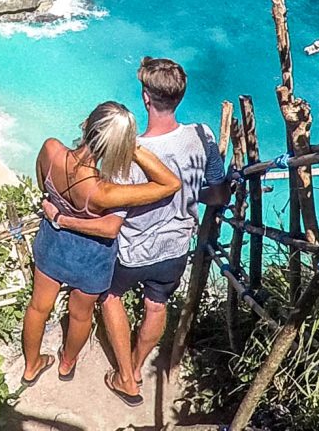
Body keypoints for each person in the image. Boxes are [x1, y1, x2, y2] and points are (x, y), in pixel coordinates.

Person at [44, 57, 227, 405]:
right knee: (156, 306)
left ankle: (125, 377)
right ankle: (139, 368)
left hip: (132, 250)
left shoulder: (128, 154)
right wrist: (188, 197)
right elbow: (217, 194)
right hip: (175, 248)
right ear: (180, 96)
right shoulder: (202, 136)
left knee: (110, 297)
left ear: (145, 97)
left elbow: (110, 213)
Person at [22, 101, 181, 391]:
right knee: (80, 315)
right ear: (117, 146)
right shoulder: (104, 192)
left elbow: (43, 186)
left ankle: (31, 366)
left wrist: (60, 213)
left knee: (37, 308)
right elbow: (170, 184)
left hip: (53, 243)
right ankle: (67, 363)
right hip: (91, 258)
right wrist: (133, 149)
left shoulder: (50, 149)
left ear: (86, 124)